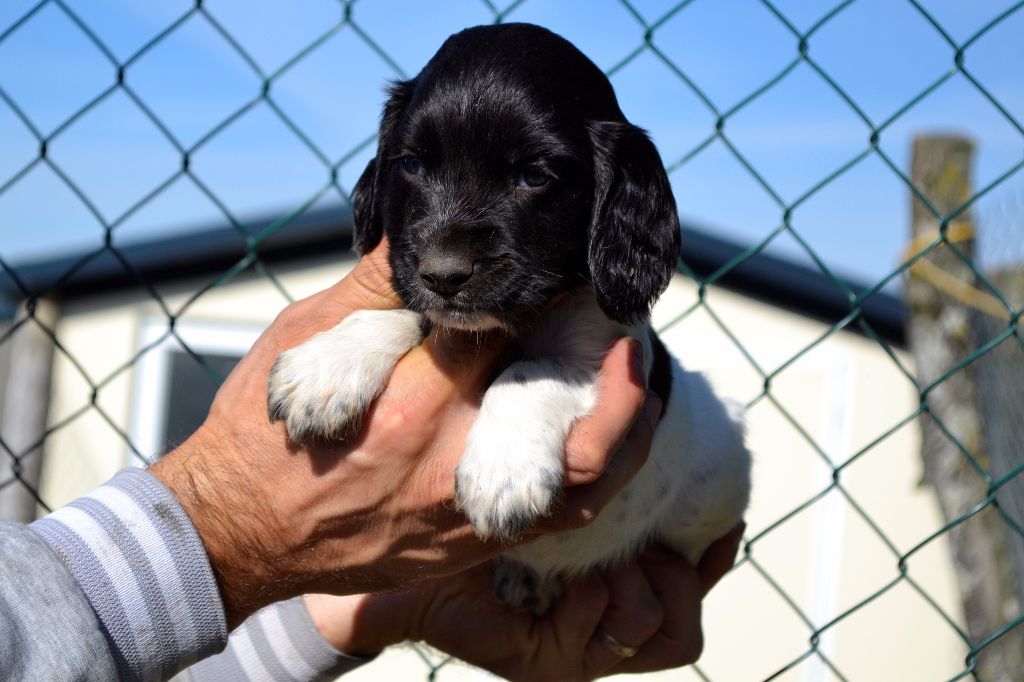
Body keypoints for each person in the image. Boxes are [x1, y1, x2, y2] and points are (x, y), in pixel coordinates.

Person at [0, 240, 743, 682]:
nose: (445, 252)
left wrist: (398, 602)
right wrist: (229, 526)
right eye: (416, 166)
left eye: (530, 177)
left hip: (653, 526)